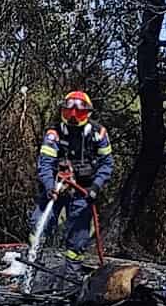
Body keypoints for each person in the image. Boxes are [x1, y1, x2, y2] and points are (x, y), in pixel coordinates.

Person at [32, 89, 115, 258]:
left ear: (87, 113)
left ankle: (73, 270)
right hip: (57, 188)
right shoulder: (54, 134)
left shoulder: (98, 133)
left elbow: (107, 164)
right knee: (39, 223)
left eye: (79, 112)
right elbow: (45, 164)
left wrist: (95, 187)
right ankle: (33, 260)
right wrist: (49, 186)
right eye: (69, 110)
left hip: (84, 191)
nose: (73, 116)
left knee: (78, 237)